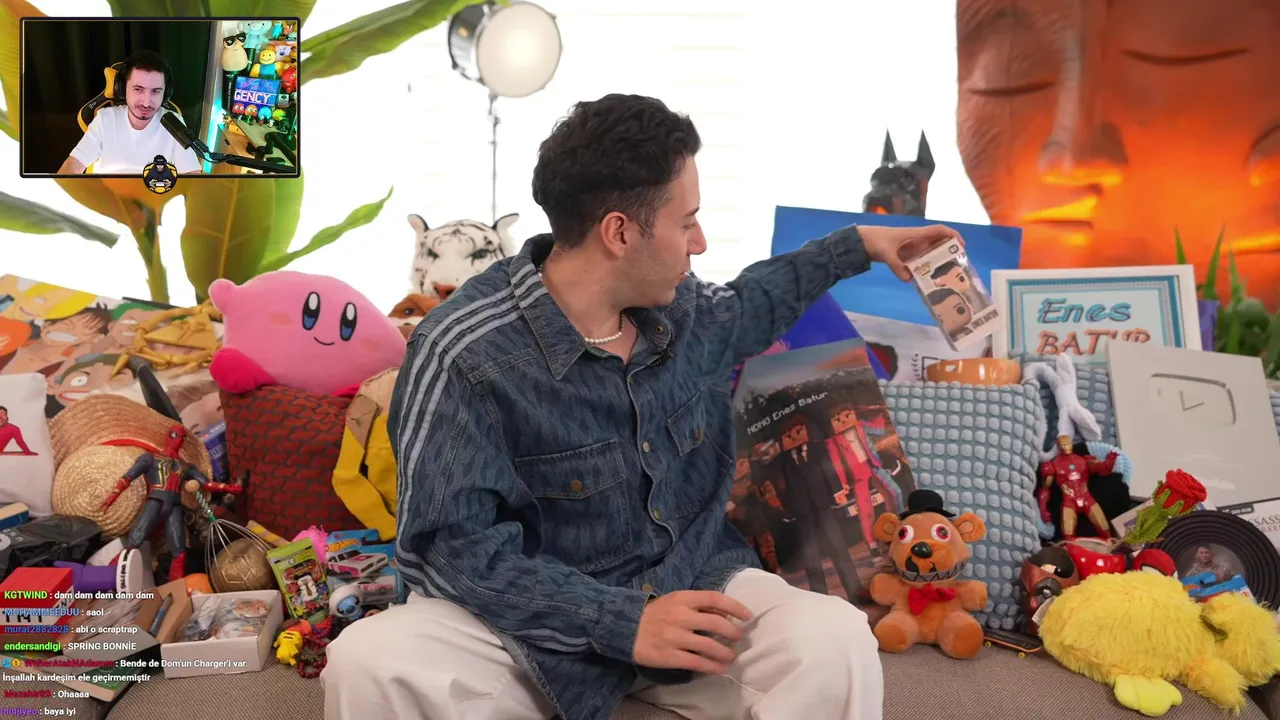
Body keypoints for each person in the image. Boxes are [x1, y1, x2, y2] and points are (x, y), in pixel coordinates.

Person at [321, 93, 961, 720]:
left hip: (694, 591)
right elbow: (451, 549)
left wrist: (859, 244)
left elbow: (753, 302)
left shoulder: (683, 311)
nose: (700, 242)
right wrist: (619, 621)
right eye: (687, 222)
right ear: (620, 232)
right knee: (369, 662)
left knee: (835, 640)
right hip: (529, 624)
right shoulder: (463, 351)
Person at [58, 50, 202, 175]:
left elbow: (193, 175)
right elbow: (72, 166)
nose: (146, 102)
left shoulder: (173, 122)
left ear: (165, 93)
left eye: (155, 91)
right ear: (123, 88)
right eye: (138, 89)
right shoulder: (105, 119)